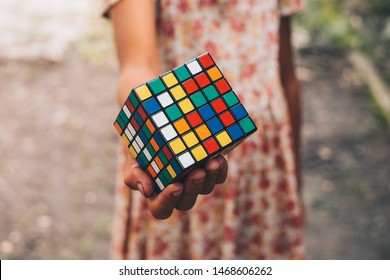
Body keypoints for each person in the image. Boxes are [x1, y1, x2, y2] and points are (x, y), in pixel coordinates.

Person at [103, 0, 304, 259]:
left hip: (265, 164)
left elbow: (287, 74)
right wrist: (147, 127)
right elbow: (137, 65)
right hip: (178, 150)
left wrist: (295, 178)